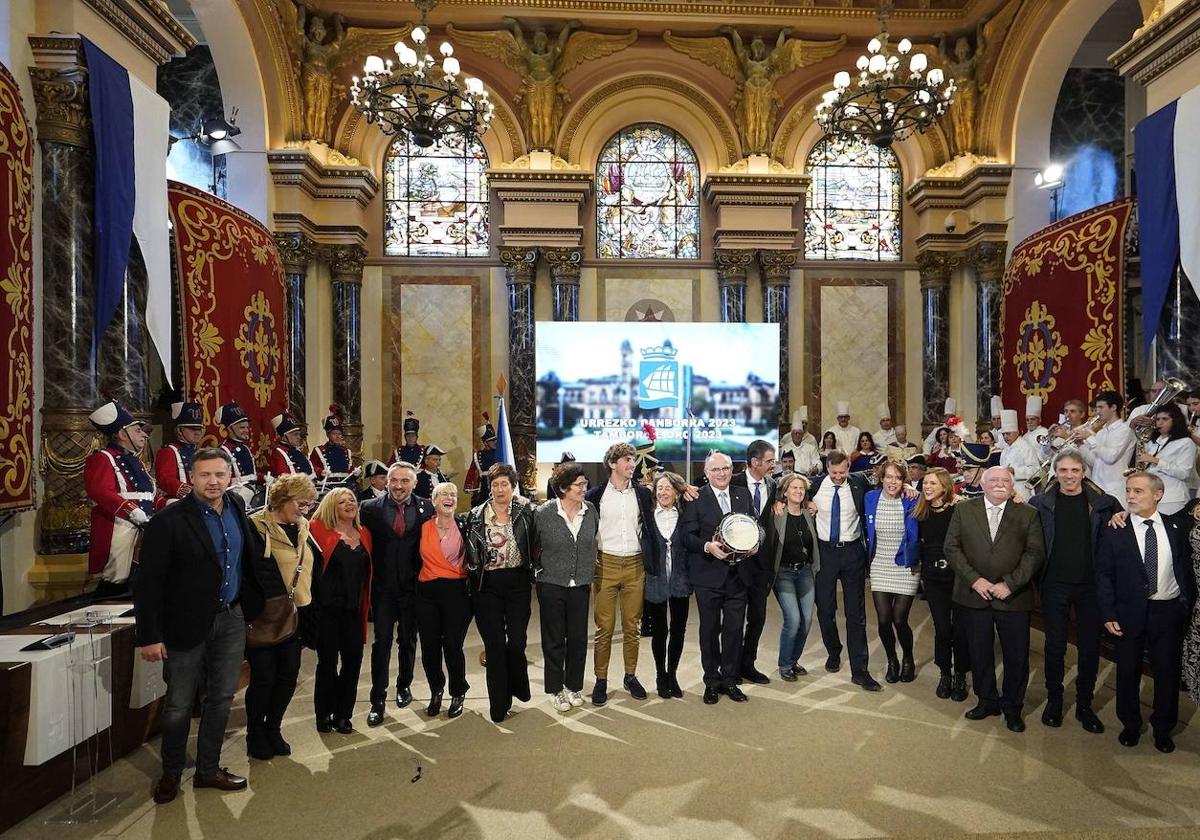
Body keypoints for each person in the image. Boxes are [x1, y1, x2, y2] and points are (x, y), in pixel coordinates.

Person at [134, 447, 273, 803]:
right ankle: (171, 771)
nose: (213, 482)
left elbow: (248, 559)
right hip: (184, 623)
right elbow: (149, 583)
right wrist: (149, 636)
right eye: (205, 475)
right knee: (179, 703)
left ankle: (208, 769)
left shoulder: (238, 509)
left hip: (230, 617)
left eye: (219, 475)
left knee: (222, 698)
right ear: (192, 478)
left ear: (230, 477)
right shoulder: (167, 522)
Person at [1096, 472, 1195, 753]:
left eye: (1138, 491)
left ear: (1158, 495)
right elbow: (1103, 575)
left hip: (1169, 611)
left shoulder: (1178, 526)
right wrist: (1108, 613)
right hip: (1129, 611)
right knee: (1127, 670)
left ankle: (1163, 728)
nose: (1130, 496)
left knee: (1167, 672)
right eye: (1128, 490)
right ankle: (1130, 723)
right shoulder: (1115, 529)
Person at [944, 466, 1045, 732]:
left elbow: (1035, 553)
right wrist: (975, 580)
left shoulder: (1028, 514)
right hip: (973, 594)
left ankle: (1013, 707)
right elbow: (951, 548)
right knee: (979, 652)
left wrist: (1009, 584)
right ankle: (987, 700)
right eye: (994, 480)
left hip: (1013, 597)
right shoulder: (964, 510)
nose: (1000, 484)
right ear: (983, 484)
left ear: (1012, 486)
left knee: (1016, 655)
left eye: (1005, 481)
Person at [1027, 449, 1119, 733]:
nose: (1069, 476)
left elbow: (1119, 539)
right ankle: (1055, 701)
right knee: (1054, 647)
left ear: (1084, 472)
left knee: (1090, 649)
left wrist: (1123, 516)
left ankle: (1084, 705)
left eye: (1074, 470)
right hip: (1054, 584)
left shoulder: (1105, 504)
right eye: (1063, 470)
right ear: (1056, 473)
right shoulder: (1040, 503)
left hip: (1091, 587)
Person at [246, 473, 322, 760]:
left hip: (297, 614)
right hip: (265, 616)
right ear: (283, 498)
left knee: (288, 676)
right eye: (301, 504)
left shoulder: (303, 526)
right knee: (264, 677)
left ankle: (273, 728)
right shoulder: (255, 526)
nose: (305, 510)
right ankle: (255, 733)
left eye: (309, 506)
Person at [359, 461, 435, 726]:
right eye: (395, 481)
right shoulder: (369, 509)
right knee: (382, 644)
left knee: (408, 640)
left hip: (413, 589)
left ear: (414, 483)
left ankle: (404, 685)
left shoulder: (427, 507)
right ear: (387, 482)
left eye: (405, 481)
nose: (399, 486)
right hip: (383, 589)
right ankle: (377, 700)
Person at [584, 442, 658, 705]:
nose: (632, 464)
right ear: (612, 464)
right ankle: (601, 680)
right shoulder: (595, 495)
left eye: (633, 459)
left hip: (635, 566)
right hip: (605, 565)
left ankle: (630, 675)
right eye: (627, 459)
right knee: (604, 628)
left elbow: (669, 497)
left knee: (632, 626)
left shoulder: (643, 494)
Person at [681, 452, 757, 704]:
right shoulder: (695, 497)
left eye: (726, 468)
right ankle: (711, 681)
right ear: (706, 474)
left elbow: (754, 526)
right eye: (716, 470)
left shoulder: (742, 494)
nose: (722, 473)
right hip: (708, 576)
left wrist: (757, 541)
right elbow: (687, 535)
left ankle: (730, 679)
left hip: (739, 576)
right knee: (710, 631)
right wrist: (707, 546)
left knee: (734, 631)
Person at [463, 463, 536, 722]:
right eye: (495, 484)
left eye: (504, 484)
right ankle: (499, 702)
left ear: (513, 487)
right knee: (494, 646)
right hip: (487, 585)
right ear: (489, 487)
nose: (499, 488)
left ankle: (519, 687)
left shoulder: (526, 512)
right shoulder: (474, 515)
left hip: (517, 583)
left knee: (516, 643)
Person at [807, 450, 881, 691]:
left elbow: (885, 491)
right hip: (825, 553)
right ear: (826, 467)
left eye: (843, 472)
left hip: (852, 553)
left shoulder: (859, 483)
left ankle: (860, 670)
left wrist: (910, 489)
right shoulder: (814, 486)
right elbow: (785, 490)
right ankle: (834, 651)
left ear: (849, 467)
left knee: (856, 612)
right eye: (834, 472)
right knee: (825, 609)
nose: (839, 477)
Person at [309, 487, 373, 734]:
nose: (349, 504)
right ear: (330, 506)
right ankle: (323, 713)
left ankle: (344, 714)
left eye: (352, 500)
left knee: (353, 662)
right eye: (341, 502)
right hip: (326, 610)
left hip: (353, 611)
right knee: (327, 663)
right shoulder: (316, 529)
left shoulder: (364, 533)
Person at [534, 463, 597, 712]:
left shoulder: (591, 510)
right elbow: (532, 544)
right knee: (554, 639)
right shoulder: (543, 513)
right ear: (563, 488)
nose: (585, 488)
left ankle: (573, 686)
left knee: (579, 638)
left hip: (580, 583)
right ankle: (555, 689)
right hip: (551, 583)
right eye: (579, 485)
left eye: (585, 484)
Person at [414, 482, 473, 719]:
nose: (449, 498)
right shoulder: (421, 527)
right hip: (426, 593)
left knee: (452, 646)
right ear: (434, 500)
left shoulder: (465, 526)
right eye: (444, 495)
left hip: (456, 593)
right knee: (429, 648)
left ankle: (458, 692)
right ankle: (436, 690)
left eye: (453, 495)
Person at [84, 400, 155, 595]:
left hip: (144, 523)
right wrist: (131, 510)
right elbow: (100, 491)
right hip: (118, 525)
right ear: (122, 434)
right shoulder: (102, 458)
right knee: (116, 579)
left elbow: (149, 494)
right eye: (137, 431)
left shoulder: (136, 461)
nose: (144, 434)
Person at [914, 467, 970, 701]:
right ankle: (945, 673)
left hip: (957, 577)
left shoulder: (960, 508)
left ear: (945, 487)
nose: (927, 487)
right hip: (933, 579)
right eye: (925, 483)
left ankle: (960, 674)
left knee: (960, 629)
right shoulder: (921, 511)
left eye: (933, 484)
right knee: (942, 628)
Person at [864, 459, 920, 683]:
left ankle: (908, 658)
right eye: (889, 476)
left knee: (899, 619)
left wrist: (912, 489)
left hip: (906, 566)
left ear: (904, 481)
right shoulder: (869, 498)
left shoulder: (911, 499)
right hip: (880, 564)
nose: (893, 481)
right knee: (884, 618)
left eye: (898, 478)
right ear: (881, 478)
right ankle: (892, 659)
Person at [759, 473, 819, 681]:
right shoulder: (777, 513)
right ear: (785, 492)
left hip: (805, 571)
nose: (798, 491)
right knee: (793, 619)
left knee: (808, 619)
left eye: (801, 488)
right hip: (783, 573)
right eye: (794, 488)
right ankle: (785, 664)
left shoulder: (809, 513)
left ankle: (793, 660)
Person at [730, 439, 777, 683]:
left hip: (763, 564)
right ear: (755, 462)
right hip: (737, 563)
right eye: (769, 461)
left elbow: (801, 488)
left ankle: (748, 664)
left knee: (758, 617)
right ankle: (731, 667)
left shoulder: (774, 485)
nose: (773, 465)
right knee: (735, 618)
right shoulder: (733, 482)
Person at [644, 471, 692, 697]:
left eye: (668, 488)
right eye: (659, 488)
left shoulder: (686, 515)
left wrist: (688, 488)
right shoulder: (646, 515)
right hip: (655, 582)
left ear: (676, 492)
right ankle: (660, 674)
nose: (663, 492)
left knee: (679, 630)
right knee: (659, 631)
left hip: (681, 580)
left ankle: (672, 674)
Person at [1134, 402, 1197, 516]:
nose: (1160, 422)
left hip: (1172, 499)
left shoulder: (1186, 443)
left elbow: (1184, 473)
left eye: (1165, 419)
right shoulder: (1152, 443)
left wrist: (1156, 461)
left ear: (1175, 421)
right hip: (1151, 498)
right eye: (1157, 419)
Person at [1076, 390, 1137, 507]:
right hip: (1097, 488)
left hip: (1115, 490)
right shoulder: (1101, 433)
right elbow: (1094, 462)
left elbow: (1111, 457)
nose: (1097, 412)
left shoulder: (1125, 430)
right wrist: (1081, 445)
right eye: (1097, 408)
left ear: (1113, 407)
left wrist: (1089, 437)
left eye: (1101, 407)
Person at [154, 398, 203, 509]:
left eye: (199, 429)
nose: (197, 433)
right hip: (181, 504)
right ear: (179, 430)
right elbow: (164, 479)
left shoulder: (199, 452)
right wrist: (188, 491)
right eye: (192, 429)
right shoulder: (169, 451)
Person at [217, 401, 260, 506]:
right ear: (230, 429)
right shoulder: (222, 451)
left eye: (247, 427)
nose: (246, 430)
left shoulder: (245, 448)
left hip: (253, 492)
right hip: (235, 496)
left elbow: (251, 476)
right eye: (242, 427)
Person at [998, 409, 1040, 500]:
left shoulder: (1025, 447)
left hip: (1022, 489)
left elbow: (1036, 470)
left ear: (1016, 432)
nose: (1005, 437)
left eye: (1008, 434)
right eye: (1003, 434)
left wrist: (1015, 470)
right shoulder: (1005, 449)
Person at [310, 404, 354, 483]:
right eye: (334, 433)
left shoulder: (347, 451)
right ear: (328, 434)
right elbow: (312, 467)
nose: (337, 436)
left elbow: (350, 471)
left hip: (345, 487)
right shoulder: (318, 451)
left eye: (339, 434)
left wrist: (355, 473)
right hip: (327, 487)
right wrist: (320, 472)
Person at [464, 414, 500, 505]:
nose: (495, 442)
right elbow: (473, 472)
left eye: (495, 440)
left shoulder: (500, 453)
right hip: (484, 490)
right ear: (485, 443)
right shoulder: (478, 455)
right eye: (492, 441)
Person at [269, 412, 313, 477]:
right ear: (284, 437)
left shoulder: (297, 451)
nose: (299, 437)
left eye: (299, 434)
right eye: (295, 434)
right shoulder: (278, 453)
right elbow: (284, 478)